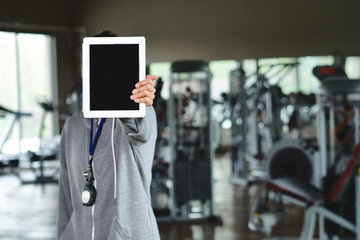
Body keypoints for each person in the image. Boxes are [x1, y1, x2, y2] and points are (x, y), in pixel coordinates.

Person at [57, 31, 161, 240]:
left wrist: (141, 103)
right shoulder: (73, 126)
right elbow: (66, 197)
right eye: (91, 61)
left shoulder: (138, 116)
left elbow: (139, 128)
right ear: (82, 69)